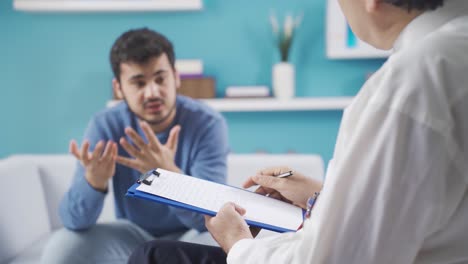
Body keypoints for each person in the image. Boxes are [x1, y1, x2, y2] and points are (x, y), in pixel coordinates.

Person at [128, 0, 468, 263]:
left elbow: (335, 258)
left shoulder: (410, 85)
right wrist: (319, 196)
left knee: (154, 257)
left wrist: (239, 244)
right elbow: (410, 207)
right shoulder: (453, 52)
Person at [40, 28, 229, 264]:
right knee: (63, 247)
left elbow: (212, 219)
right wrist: (93, 183)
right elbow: (73, 221)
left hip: (191, 236)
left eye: (160, 79)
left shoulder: (208, 124)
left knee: (222, 246)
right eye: (138, 83)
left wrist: (171, 179)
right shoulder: (106, 125)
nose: (152, 92)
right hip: (132, 235)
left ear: (176, 77)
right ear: (119, 88)